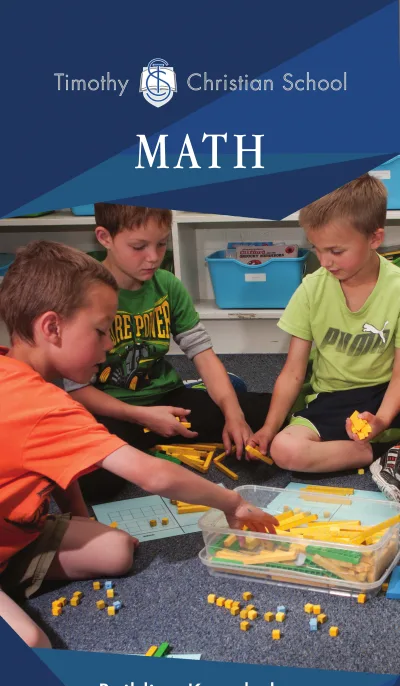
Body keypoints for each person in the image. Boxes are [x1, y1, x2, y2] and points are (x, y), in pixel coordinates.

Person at [0, 241, 277, 649]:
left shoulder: (24, 373)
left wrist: (81, 518)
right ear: (52, 327)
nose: (110, 344)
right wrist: (231, 503)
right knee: (30, 643)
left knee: (115, 552)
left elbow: (56, 464)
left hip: (18, 530)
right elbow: (152, 473)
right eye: (100, 331)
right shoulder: (41, 404)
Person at [63, 204, 271, 500]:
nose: (153, 257)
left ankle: (162, 426)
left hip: (167, 399)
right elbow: (74, 389)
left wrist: (233, 413)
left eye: (161, 244)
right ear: (104, 237)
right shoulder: (81, 291)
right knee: (92, 485)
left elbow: (203, 355)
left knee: (266, 414)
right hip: (111, 409)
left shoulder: (168, 286)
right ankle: (149, 435)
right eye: (138, 246)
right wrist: (141, 416)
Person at [248, 174, 400, 473]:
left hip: (388, 393)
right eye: (317, 248)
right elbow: (293, 372)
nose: (325, 261)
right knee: (284, 449)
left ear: (374, 238)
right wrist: (268, 428)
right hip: (334, 398)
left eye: (336, 251)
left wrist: (381, 419)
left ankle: (382, 440)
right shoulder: (311, 288)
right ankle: (375, 452)